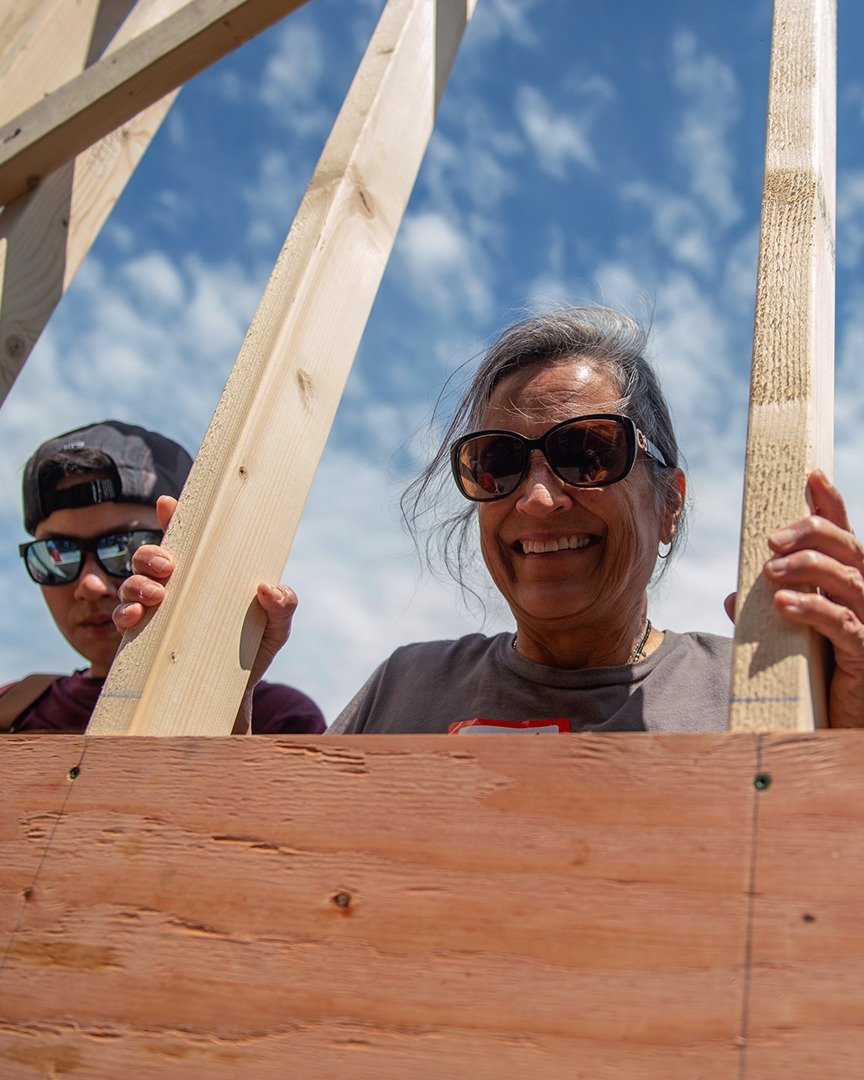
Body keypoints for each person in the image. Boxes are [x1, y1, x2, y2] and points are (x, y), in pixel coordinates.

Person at [114, 307, 864, 732]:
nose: (537, 500)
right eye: (498, 463)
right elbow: (264, 876)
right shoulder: (405, 691)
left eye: (587, 451)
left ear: (670, 503)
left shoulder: (764, 696)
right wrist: (209, 679)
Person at [2, 420, 326, 734]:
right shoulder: (10, 709)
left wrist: (227, 697)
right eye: (56, 554)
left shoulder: (281, 719)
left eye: (126, 548)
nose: (90, 585)